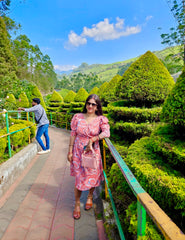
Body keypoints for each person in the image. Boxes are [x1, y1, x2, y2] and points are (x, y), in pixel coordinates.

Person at [67, 94, 110, 220]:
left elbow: (107, 132)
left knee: (92, 176)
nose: (90, 106)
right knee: (79, 179)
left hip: (92, 151)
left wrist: (94, 139)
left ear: (97, 107)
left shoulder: (101, 119)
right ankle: (76, 204)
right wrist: (69, 150)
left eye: (93, 104)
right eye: (88, 103)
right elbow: (73, 133)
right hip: (78, 151)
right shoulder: (77, 117)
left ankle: (90, 197)